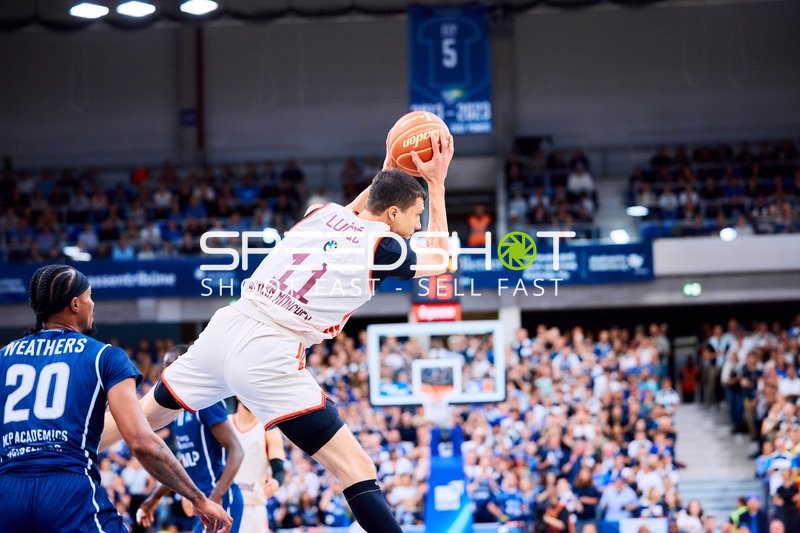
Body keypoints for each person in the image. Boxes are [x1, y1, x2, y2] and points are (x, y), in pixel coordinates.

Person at [101, 127, 455, 533]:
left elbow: (361, 206)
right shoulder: (385, 247)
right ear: (394, 214)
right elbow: (441, 258)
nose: (416, 225)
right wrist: (437, 182)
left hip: (228, 325)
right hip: (270, 349)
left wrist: (389, 168)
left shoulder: (322, 213)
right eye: (416, 216)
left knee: (143, 416)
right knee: (356, 468)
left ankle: (57, 452)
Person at [0, 265, 231, 532]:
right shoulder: (104, 356)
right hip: (66, 491)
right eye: (89, 296)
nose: (93, 304)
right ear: (75, 304)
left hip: (8, 494)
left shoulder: (4, 357)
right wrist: (198, 498)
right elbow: (141, 441)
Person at [135, 345, 244, 532]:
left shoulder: (206, 402)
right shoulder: (179, 411)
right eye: (164, 368)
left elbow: (237, 451)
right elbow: (183, 462)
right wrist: (155, 498)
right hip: (202, 504)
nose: (165, 374)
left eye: (170, 366)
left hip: (218, 500)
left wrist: (215, 496)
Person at [229, 399, 287, 533]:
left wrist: (275, 482)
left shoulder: (269, 429)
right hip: (224, 505)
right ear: (237, 393)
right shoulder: (224, 423)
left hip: (253, 506)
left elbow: (279, 469)